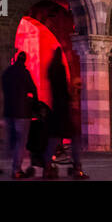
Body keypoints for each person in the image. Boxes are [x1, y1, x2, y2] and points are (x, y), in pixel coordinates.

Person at [45, 47, 87, 179]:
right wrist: (73, 93)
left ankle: (47, 166)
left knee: (53, 140)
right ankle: (77, 168)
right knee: (75, 139)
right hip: (63, 112)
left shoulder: (51, 70)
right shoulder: (60, 70)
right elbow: (63, 90)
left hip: (55, 110)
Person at [0, 50, 38, 179]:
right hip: (22, 112)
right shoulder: (24, 73)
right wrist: (35, 103)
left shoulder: (7, 72)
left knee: (11, 139)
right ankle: (16, 169)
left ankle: (5, 164)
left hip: (8, 111)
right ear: (24, 60)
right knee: (21, 142)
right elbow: (33, 89)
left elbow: (3, 87)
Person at [26, 99, 50, 177]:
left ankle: (38, 161)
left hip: (37, 144)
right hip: (39, 143)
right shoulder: (38, 124)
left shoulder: (35, 125)